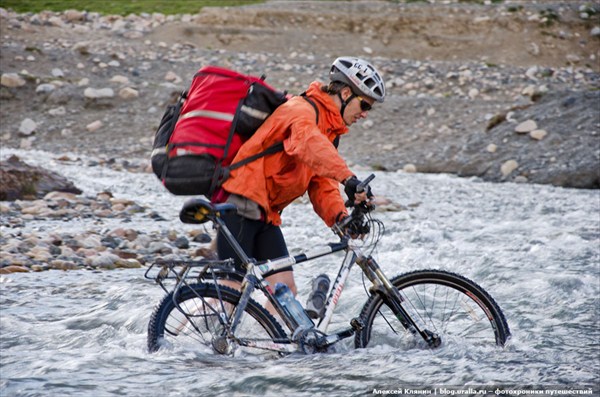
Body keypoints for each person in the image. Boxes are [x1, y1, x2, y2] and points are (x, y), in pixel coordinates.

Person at [215, 56, 385, 313]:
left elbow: (322, 184)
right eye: (364, 104)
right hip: (241, 202)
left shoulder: (328, 130)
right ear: (346, 92)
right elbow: (306, 143)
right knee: (231, 288)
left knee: (284, 289)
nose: (364, 113)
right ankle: (184, 341)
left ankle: (270, 347)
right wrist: (349, 179)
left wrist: (340, 218)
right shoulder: (301, 110)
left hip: (266, 214)